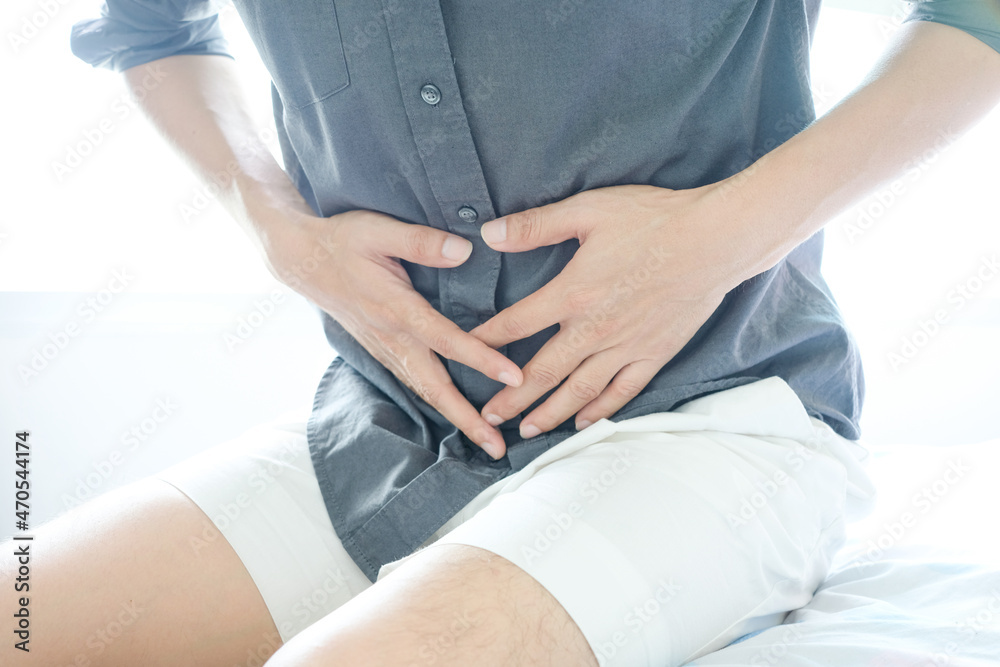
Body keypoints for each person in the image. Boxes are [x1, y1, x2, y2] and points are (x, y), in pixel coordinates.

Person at [4, 2, 1000, 665]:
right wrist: (274, 223)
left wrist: (717, 238)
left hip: (708, 416)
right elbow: (147, 27)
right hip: (387, 431)